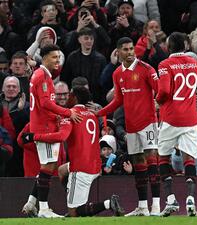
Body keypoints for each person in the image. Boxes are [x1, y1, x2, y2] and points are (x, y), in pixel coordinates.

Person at [21, 86, 124, 217]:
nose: (67, 97)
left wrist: (33, 136)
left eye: (69, 94)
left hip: (81, 168)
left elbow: (61, 137)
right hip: (95, 163)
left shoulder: (70, 115)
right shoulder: (92, 115)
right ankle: (73, 194)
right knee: (62, 171)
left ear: (75, 97)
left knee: (74, 213)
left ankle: (108, 204)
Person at [94, 37, 160, 216]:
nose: (130, 52)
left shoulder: (146, 69)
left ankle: (156, 207)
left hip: (148, 123)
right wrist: (99, 113)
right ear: (118, 52)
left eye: (132, 49)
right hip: (131, 125)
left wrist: (158, 102)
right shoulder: (117, 73)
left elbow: (160, 89)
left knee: (152, 160)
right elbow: (118, 100)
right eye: (126, 49)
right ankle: (142, 207)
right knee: (138, 163)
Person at [22, 44, 81, 218]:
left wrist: (55, 115)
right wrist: (67, 112)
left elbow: (43, 105)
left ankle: (31, 203)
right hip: (44, 128)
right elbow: (46, 103)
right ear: (44, 57)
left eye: (59, 57)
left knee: (47, 166)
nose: (57, 60)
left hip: (44, 123)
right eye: (54, 57)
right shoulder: (42, 77)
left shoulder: (40, 74)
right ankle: (44, 209)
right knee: (48, 167)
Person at [156, 32, 197, 217]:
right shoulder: (195, 63)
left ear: (168, 47)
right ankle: (191, 200)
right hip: (191, 119)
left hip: (170, 118)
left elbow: (163, 91)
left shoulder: (164, 64)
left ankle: (171, 201)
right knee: (189, 159)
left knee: (162, 157)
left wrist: (157, 101)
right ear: (185, 46)